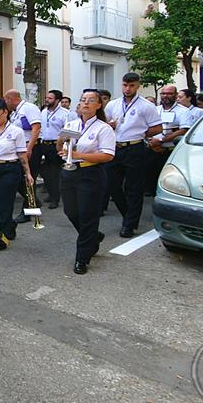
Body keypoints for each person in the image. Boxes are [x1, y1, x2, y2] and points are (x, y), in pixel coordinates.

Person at [58, 89, 115, 274]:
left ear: (98, 105)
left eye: (91, 100)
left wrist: (78, 155)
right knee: (71, 211)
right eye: (83, 100)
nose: (86, 103)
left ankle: (82, 258)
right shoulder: (71, 123)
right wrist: (62, 143)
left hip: (90, 174)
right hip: (70, 172)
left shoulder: (103, 127)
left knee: (87, 215)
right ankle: (93, 237)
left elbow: (107, 155)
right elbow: (61, 146)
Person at [104, 73, 162, 238]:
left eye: (131, 86)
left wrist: (141, 131)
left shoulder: (146, 106)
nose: (127, 89)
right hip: (115, 148)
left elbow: (157, 128)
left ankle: (129, 224)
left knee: (133, 188)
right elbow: (103, 124)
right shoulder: (113, 105)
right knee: (112, 185)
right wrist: (109, 125)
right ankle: (128, 215)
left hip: (135, 148)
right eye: (125, 85)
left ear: (137, 86)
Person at [0, 98, 32, 252]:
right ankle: (10, 224)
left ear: (6, 112)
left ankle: (1, 237)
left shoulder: (16, 131)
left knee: (5, 203)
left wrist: (28, 173)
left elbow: (21, 154)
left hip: (10, 168)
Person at [4, 89, 42, 223]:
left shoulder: (29, 108)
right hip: (19, 148)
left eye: (6, 99)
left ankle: (28, 212)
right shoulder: (15, 113)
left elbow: (36, 128)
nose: (5, 103)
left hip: (29, 147)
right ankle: (34, 202)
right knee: (20, 179)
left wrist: (29, 148)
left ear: (10, 98)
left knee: (28, 179)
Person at [144, 85, 187, 196]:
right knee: (150, 176)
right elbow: (146, 127)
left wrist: (162, 140)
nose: (165, 96)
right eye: (163, 94)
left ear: (176, 95)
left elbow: (183, 130)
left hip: (170, 150)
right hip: (153, 148)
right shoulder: (155, 110)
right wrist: (152, 142)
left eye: (169, 94)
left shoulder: (183, 111)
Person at [38, 89, 70, 209]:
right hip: (44, 144)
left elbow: (68, 131)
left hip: (56, 145)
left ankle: (55, 199)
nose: (47, 100)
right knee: (45, 172)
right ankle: (52, 192)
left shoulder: (64, 113)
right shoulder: (43, 111)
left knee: (54, 172)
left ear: (57, 100)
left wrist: (63, 146)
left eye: (50, 98)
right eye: (47, 98)